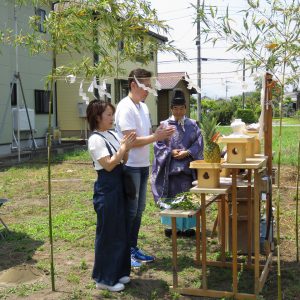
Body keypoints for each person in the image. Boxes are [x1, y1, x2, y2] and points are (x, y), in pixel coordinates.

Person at [115, 68, 175, 268]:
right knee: (130, 211)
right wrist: (155, 137)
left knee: (139, 210)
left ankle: (132, 247)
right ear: (133, 85)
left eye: (150, 86)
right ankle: (124, 252)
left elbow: (146, 134)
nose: (148, 90)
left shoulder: (143, 107)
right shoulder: (125, 108)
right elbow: (130, 141)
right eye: (145, 86)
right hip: (129, 165)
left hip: (142, 164)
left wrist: (158, 133)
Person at [87, 99, 136, 292]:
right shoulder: (95, 139)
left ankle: (119, 272)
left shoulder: (113, 134)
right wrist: (123, 148)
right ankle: (104, 279)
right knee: (108, 233)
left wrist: (126, 148)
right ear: (97, 117)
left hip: (119, 185)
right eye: (108, 114)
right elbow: (108, 164)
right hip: (107, 188)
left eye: (112, 114)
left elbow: (123, 159)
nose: (112, 118)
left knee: (121, 229)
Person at [151, 89, 204, 237]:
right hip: (170, 169)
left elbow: (199, 143)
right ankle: (171, 226)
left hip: (188, 169)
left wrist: (187, 152)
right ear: (171, 109)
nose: (178, 111)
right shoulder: (164, 125)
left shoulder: (193, 125)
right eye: (175, 108)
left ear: (186, 108)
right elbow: (158, 145)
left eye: (181, 108)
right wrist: (170, 152)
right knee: (171, 197)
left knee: (187, 197)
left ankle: (187, 227)